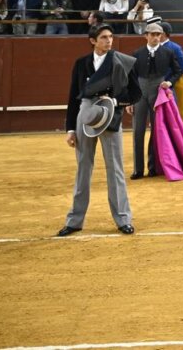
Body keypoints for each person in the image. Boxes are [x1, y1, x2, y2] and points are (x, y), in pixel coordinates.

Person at [56, 23, 142, 237]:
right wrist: (69, 129)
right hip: (85, 116)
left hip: (111, 116)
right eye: (104, 37)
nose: (109, 41)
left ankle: (123, 219)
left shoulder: (120, 61)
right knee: (83, 168)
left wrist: (113, 99)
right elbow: (73, 97)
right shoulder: (81, 63)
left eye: (110, 37)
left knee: (116, 169)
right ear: (93, 41)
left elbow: (135, 93)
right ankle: (75, 221)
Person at [131, 22, 183, 179]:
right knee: (138, 131)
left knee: (157, 131)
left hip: (158, 92)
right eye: (153, 34)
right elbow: (131, 78)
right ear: (146, 36)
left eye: (158, 35)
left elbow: (178, 71)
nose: (156, 37)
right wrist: (130, 100)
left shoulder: (168, 53)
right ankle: (138, 169)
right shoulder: (137, 54)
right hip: (140, 92)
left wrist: (169, 82)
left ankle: (153, 167)